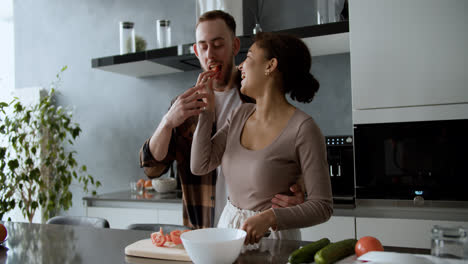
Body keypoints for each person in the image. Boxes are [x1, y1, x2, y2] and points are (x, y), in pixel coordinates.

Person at [139, 10, 305, 230]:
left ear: (235, 46)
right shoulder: (185, 107)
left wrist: (299, 190)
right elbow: (153, 168)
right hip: (203, 234)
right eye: (204, 46)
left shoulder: (260, 99)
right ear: (196, 51)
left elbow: (296, 163)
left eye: (218, 45)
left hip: (259, 232)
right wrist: (167, 122)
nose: (210, 54)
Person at [191, 32, 333, 244]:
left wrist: (270, 217)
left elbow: (322, 206)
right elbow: (200, 165)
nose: (240, 66)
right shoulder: (239, 115)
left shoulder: (303, 129)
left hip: (272, 238)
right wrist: (206, 110)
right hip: (228, 231)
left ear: (270, 65)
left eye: (248, 57)